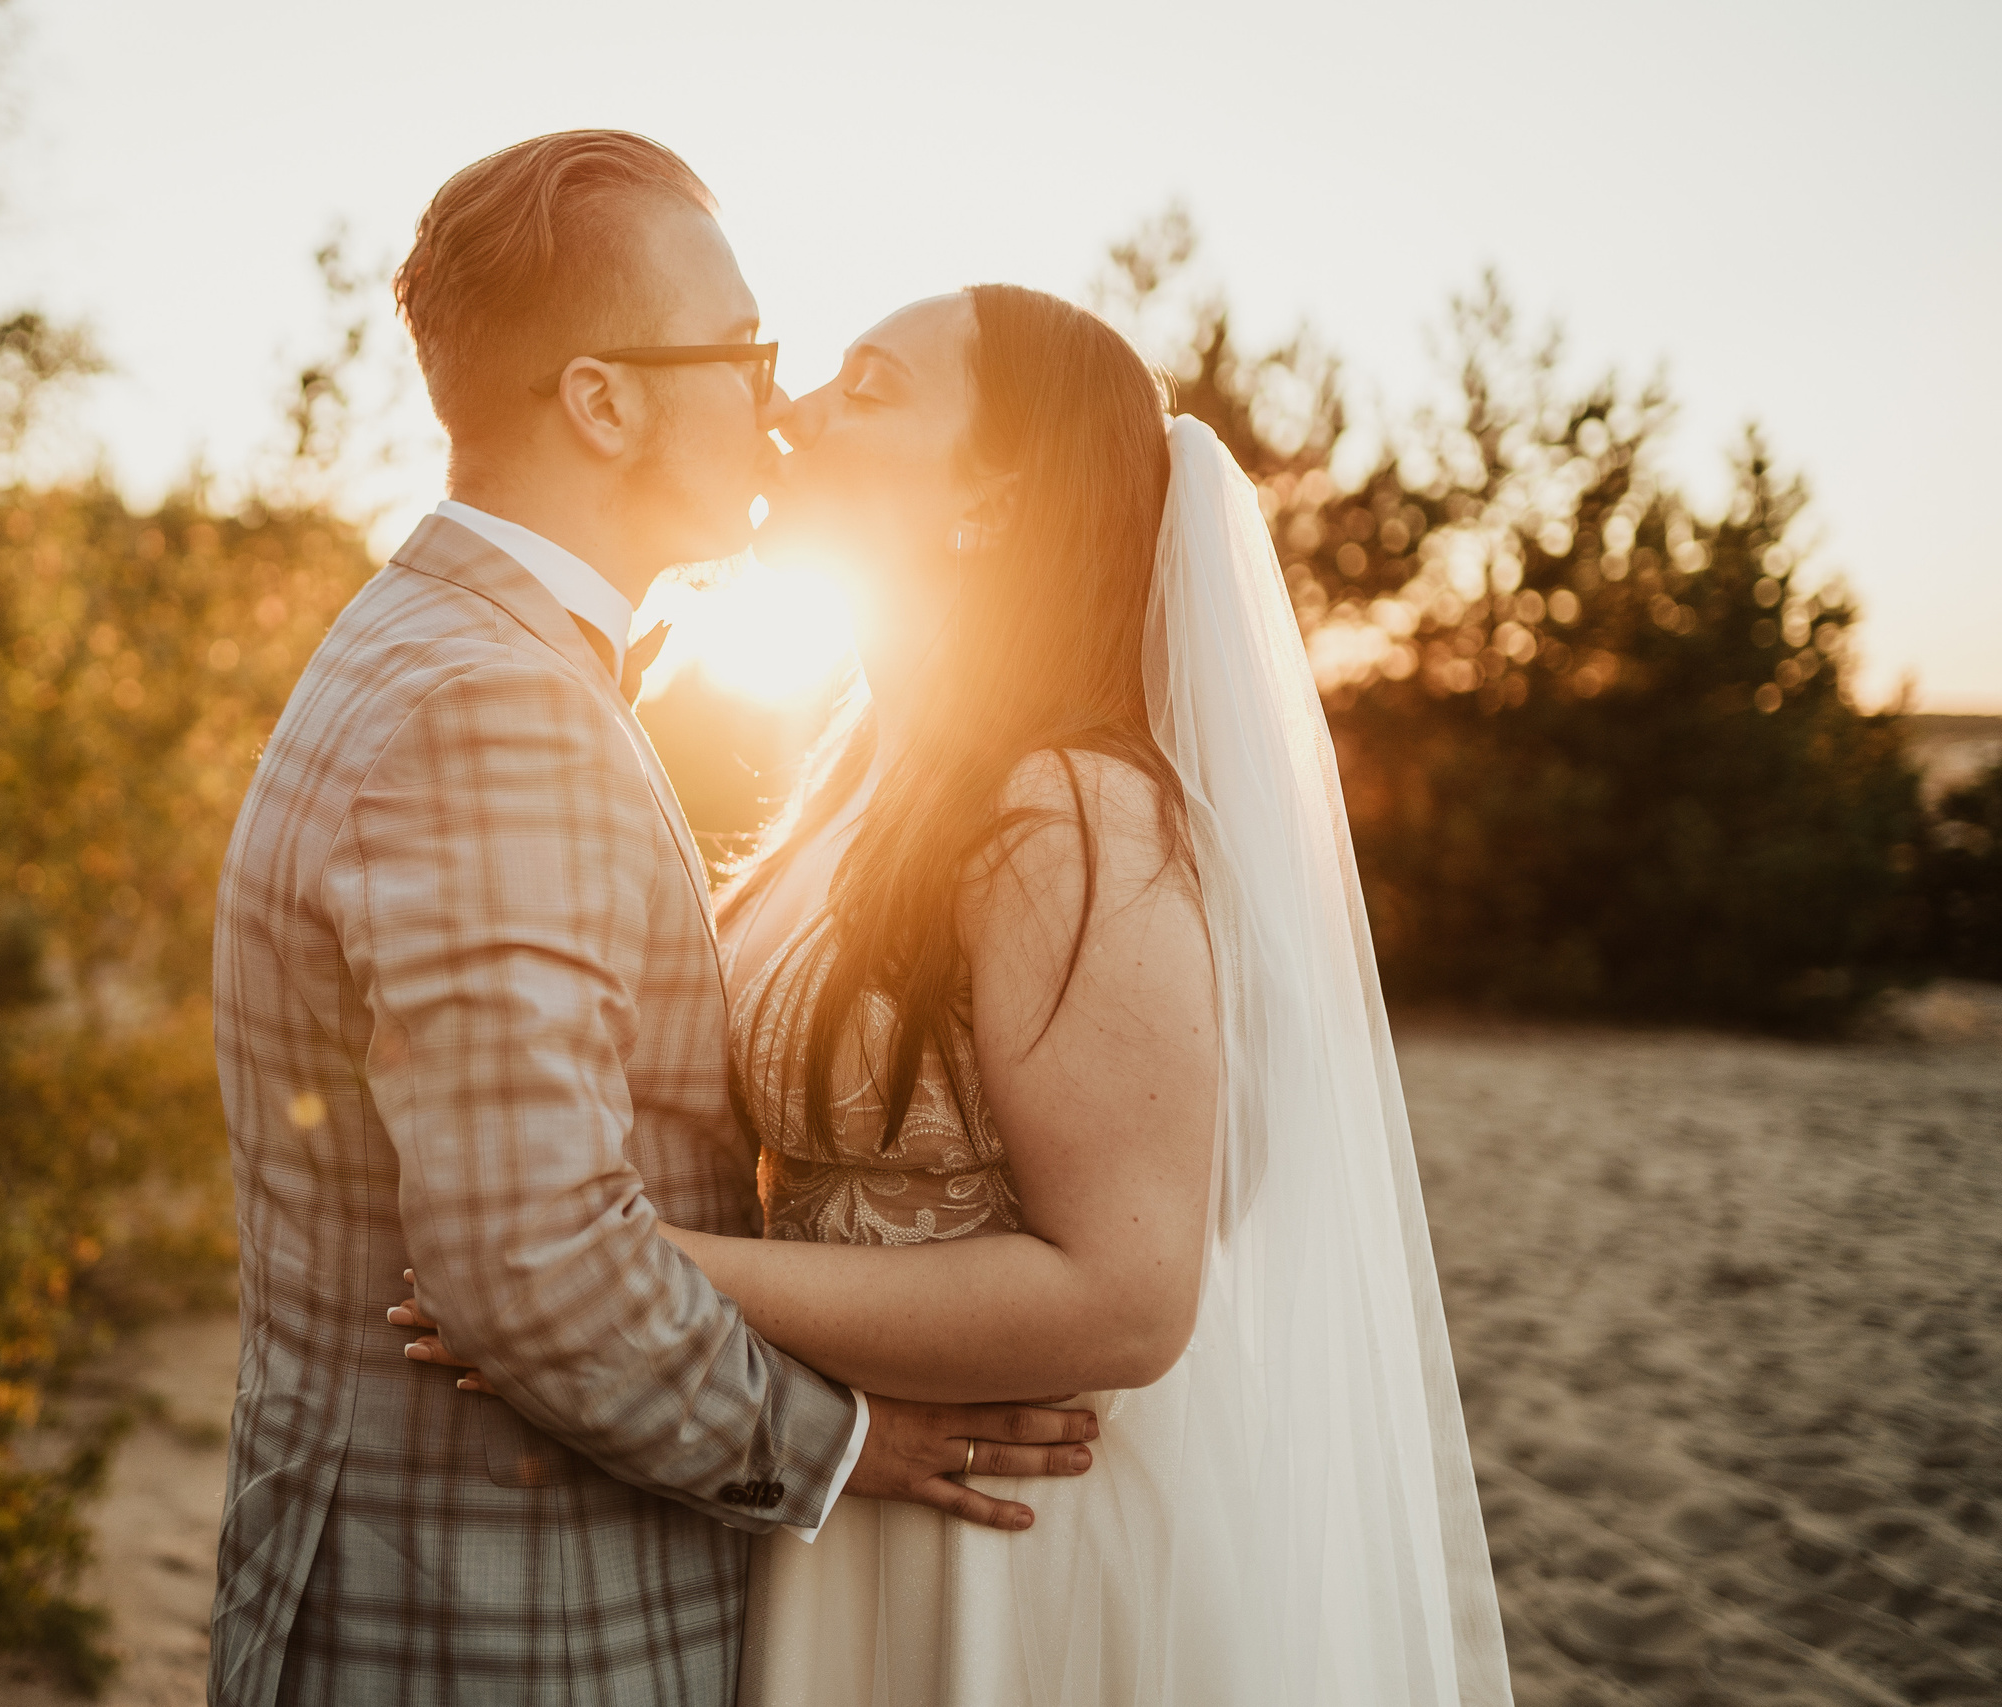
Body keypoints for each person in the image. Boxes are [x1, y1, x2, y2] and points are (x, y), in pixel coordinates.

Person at [397, 284, 1515, 1703]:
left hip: (1010, 1555)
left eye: (866, 389)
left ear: (991, 500)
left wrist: (624, 1273)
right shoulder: (865, 782)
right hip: (864, 1503)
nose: (789, 409)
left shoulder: (1067, 814)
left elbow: (1126, 1297)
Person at [206, 133, 1099, 1707]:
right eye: (743, 351)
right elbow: (534, 1262)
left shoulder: (455, 646)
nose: (777, 396)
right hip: (499, 1611)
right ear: (604, 400)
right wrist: (848, 1449)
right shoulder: (496, 708)